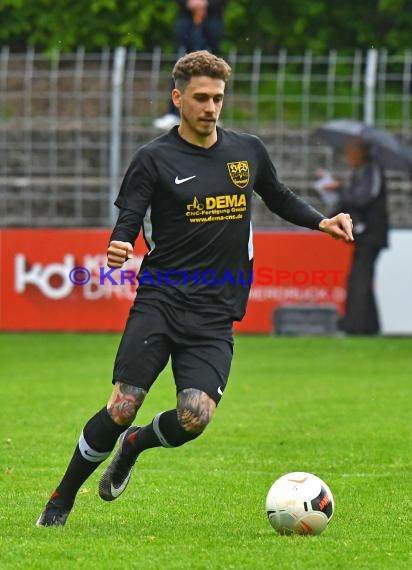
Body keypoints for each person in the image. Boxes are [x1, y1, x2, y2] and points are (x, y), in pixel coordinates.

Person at [36, 50, 354, 527]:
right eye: (201, 98)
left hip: (214, 311)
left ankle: (136, 445)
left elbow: (279, 195)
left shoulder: (246, 151)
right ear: (178, 98)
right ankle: (60, 500)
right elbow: (129, 217)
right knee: (123, 405)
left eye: (218, 98)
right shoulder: (154, 158)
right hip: (161, 301)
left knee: (194, 417)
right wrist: (120, 243)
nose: (211, 107)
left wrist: (321, 221)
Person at [317, 138, 388, 335]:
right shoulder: (364, 171)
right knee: (362, 278)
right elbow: (355, 196)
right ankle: (370, 326)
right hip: (365, 233)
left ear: (360, 152)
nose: (348, 157)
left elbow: (363, 197)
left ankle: (354, 325)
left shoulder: (373, 170)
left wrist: (339, 189)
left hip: (371, 233)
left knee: (359, 279)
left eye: (350, 151)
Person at [153, 0, 227, 130]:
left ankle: (211, 113)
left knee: (212, 66)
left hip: (213, 18)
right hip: (185, 17)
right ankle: (174, 113)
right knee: (180, 65)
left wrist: (207, 3)